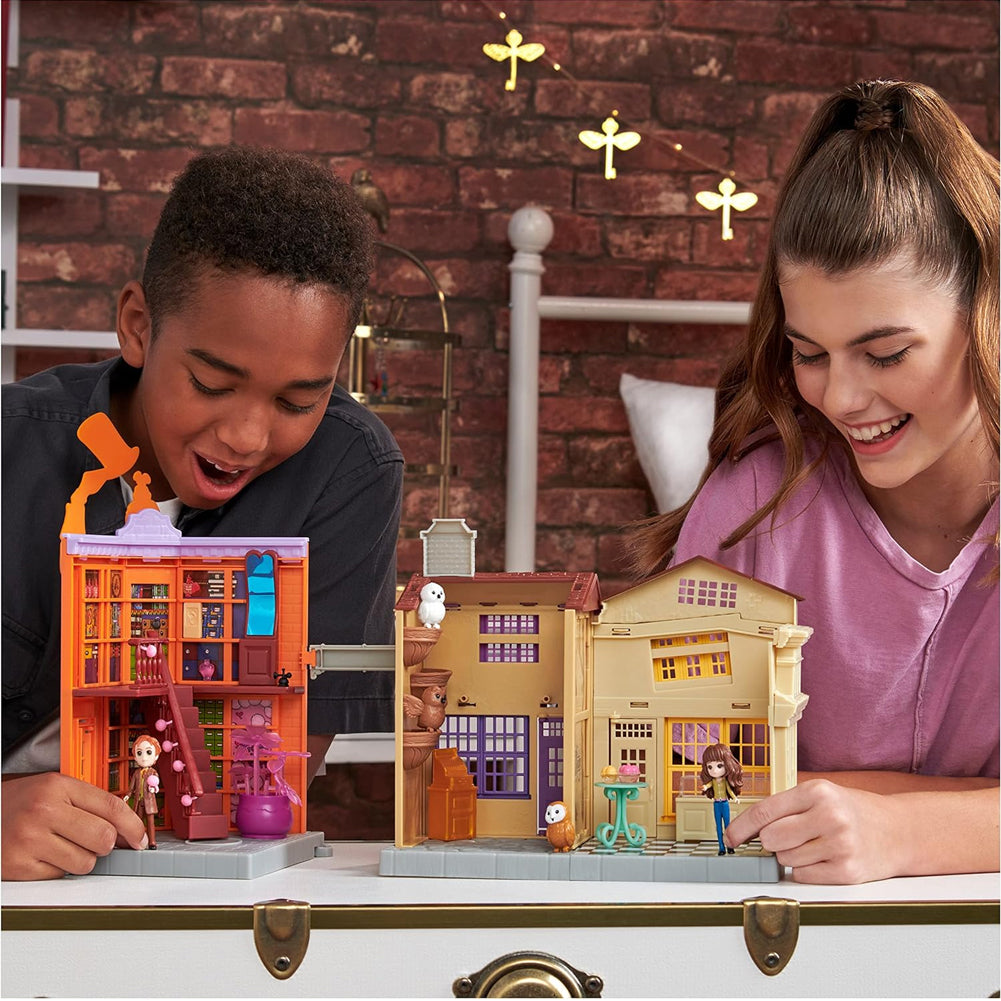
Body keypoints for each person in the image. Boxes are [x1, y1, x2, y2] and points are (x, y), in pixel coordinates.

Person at [628, 80, 999, 884]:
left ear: (986, 313)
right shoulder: (752, 507)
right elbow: (672, 783)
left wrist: (899, 829)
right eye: (808, 353)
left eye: (885, 353)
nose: (840, 398)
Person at [2, 146, 403, 879]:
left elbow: (271, 780)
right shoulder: (10, 450)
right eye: (213, 384)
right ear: (138, 326)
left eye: (298, 401)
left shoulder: (350, 471)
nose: (247, 437)